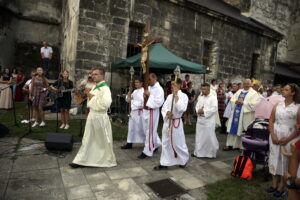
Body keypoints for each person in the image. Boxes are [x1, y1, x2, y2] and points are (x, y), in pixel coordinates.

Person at [70, 67, 117, 168]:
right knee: (88, 138)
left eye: (95, 74)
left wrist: (91, 96)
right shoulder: (96, 86)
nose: (92, 76)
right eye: (92, 74)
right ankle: (81, 160)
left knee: (101, 141)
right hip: (92, 115)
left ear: (102, 75)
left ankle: (104, 159)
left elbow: (105, 104)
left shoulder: (105, 88)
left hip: (100, 117)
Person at [267, 83, 300, 198]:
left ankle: (282, 187)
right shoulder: (277, 105)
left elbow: (299, 127)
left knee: (285, 161)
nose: (283, 91)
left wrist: (288, 139)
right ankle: (274, 184)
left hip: (290, 137)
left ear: (293, 92)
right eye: (283, 89)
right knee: (274, 158)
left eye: (286, 90)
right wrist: (272, 134)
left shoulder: (298, 107)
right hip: (275, 135)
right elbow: (271, 120)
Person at [154, 78, 189, 170]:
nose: (171, 86)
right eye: (171, 84)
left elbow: (182, 108)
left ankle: (183, 159)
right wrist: (167, 113)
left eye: (173, 84)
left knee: (178, 143)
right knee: (165, 142)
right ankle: (164, 162)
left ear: (179, 85)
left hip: (176, 122)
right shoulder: (169, 96)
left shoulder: (184, 96)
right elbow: (164, 108)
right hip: (167, 122)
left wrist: (176, 97)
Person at [223, 79, 261, 151]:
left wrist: (243, 103)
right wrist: (236, 101)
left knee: (243, 130)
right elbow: (232, 100)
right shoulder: (239, 91)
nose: (246, 85)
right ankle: (230, 144)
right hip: (236, 114)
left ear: (250, 84)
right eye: (245, 83)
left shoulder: (254, 93)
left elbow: (255, 104)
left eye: (247, 84)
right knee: (232, 129)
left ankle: (242, 146)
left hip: (245, 115)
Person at [138, 73, 164, 159]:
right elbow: (144, 99)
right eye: (147, 80)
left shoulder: (159, 89)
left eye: (149, 79)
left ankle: (147, 151)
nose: (148, 81)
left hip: (152, 111)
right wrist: (144, 96)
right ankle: (156, 144)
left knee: (150, 131)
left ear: (155, 78)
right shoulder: (148, 87)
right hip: (146, 110)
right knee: (147, 130)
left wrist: (149, 95)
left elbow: (159, 102)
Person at [192, 83, 219, 158]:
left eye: (204, 89)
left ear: (208, 89)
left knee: (208, 137)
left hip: (208, 121)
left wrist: (204, 111)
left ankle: (209, 153)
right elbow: (197, 106)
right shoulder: (200, 97)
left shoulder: (213, 98)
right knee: (199, 137)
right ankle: (198, 152)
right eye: (202, 89)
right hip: (200, 121)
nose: (202, 91)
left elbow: (214, 109)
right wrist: (198, 111)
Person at [121, 77, 145, 149]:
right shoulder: (135, 91)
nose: (136, 84)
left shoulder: (143, 91)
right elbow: (128, 99)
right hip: (133, 112)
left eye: (137, 82)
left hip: (140, 113)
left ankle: (150, 143)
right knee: (131, 128)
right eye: (135, 82)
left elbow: (142, 103)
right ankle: (129, 143)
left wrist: (132, 101)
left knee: (141, 129)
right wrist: (129, 91)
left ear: (141, 83)